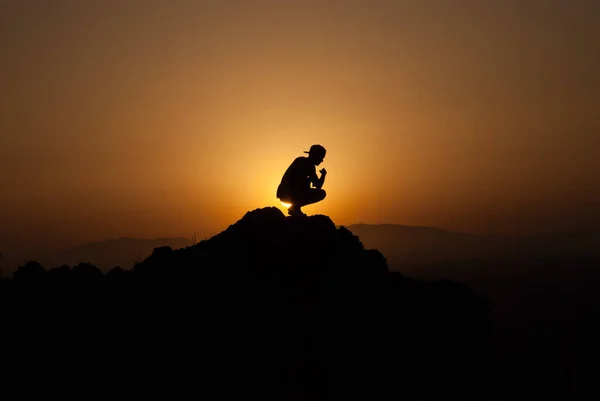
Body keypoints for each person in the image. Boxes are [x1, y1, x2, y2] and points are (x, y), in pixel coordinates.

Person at [276, 144, 327, 216]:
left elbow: (318, 186)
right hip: (287, 193)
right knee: (320, 193)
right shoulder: (301, 162)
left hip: (293, 193)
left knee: (321, 193)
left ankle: (295, 208)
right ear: (315, 156)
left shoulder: (311, 167)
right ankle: (295, 208)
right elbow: (295, 182)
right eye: (321, 158)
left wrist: (323, 175)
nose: (322, 160)